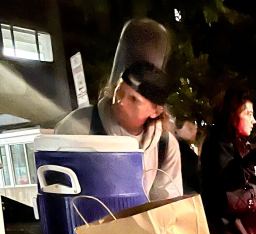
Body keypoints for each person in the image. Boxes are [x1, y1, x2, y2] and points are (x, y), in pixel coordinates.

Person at [56, 61, 182, 201]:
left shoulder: (165, 145)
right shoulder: (77, 126)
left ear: (156, 111)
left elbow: (167, 201)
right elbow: (56, 186)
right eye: (120, 91)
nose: (121, 102)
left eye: (134, 99)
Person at [200, 88, 256, 234]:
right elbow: (228, 180)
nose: (253, 120)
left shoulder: (241, 143)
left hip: (247, 226)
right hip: (226, 232)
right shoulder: (216, 143)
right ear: (231, 115)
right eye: (248, 114)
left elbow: (252, 182)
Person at [175, 118, 201, 194]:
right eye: (190, 129)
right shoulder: (181, 148)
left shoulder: (183, 147)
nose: (195, 131)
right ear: (178, 129)